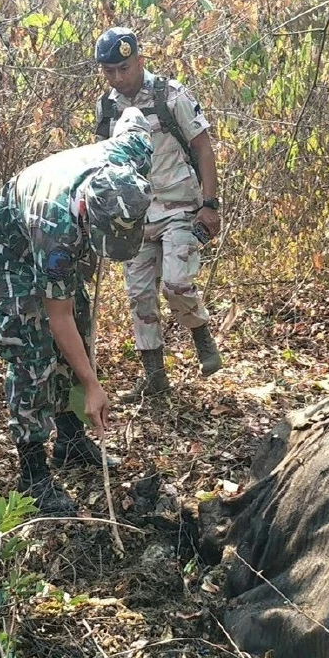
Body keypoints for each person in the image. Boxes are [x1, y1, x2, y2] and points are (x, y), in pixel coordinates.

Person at [0, 108, 153, 515]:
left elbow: (133, 115)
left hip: (56, 219)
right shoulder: (55, 232)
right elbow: (57, 318)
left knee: (82, 329)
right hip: (13, 248)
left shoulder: (131, 156)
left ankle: (71, 439)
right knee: (32, 350)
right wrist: (93, 385)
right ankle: (32, 472)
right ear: (87, 216)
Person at [94, 26, 223, 401]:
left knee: (177, 283)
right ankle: (154, 376)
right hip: (134, 215)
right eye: (110, 71)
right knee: (139, 296)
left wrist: (209, 205)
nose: (118, 78)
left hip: (180, 205)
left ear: (140, 61)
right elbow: (106, 162)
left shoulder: (170, 94)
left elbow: (203, 147)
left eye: (124, 68)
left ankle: (201, 335)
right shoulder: (107, 108)